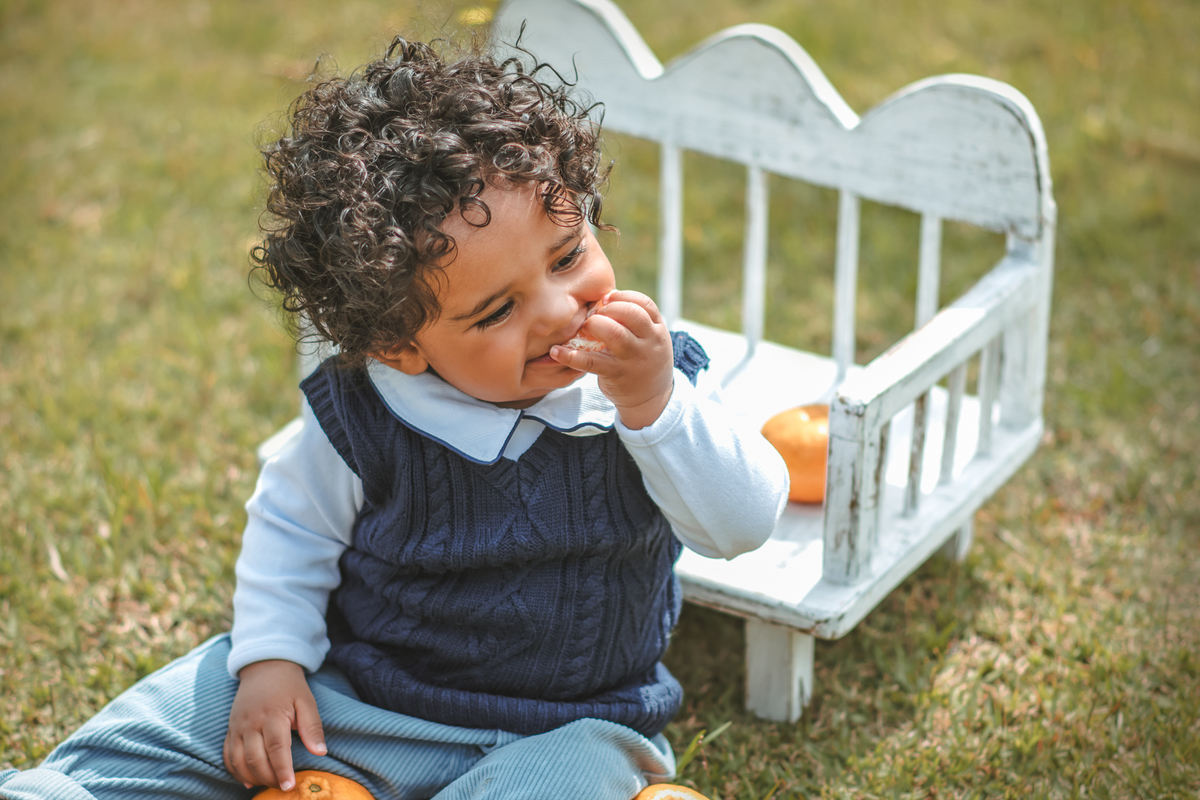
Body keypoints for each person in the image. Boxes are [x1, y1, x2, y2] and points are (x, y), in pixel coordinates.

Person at [0, 37, 787, 800]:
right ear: (399, 346)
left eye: (568, 255)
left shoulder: (648, 384)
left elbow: (742, 524)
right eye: (495, 312)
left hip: (566, 726)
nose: (555, 311)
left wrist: (655, 404)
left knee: (573, 780)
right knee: (177, 720)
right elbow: (293, 525)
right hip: (358, 701)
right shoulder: (370, 409)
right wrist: (272, 662)